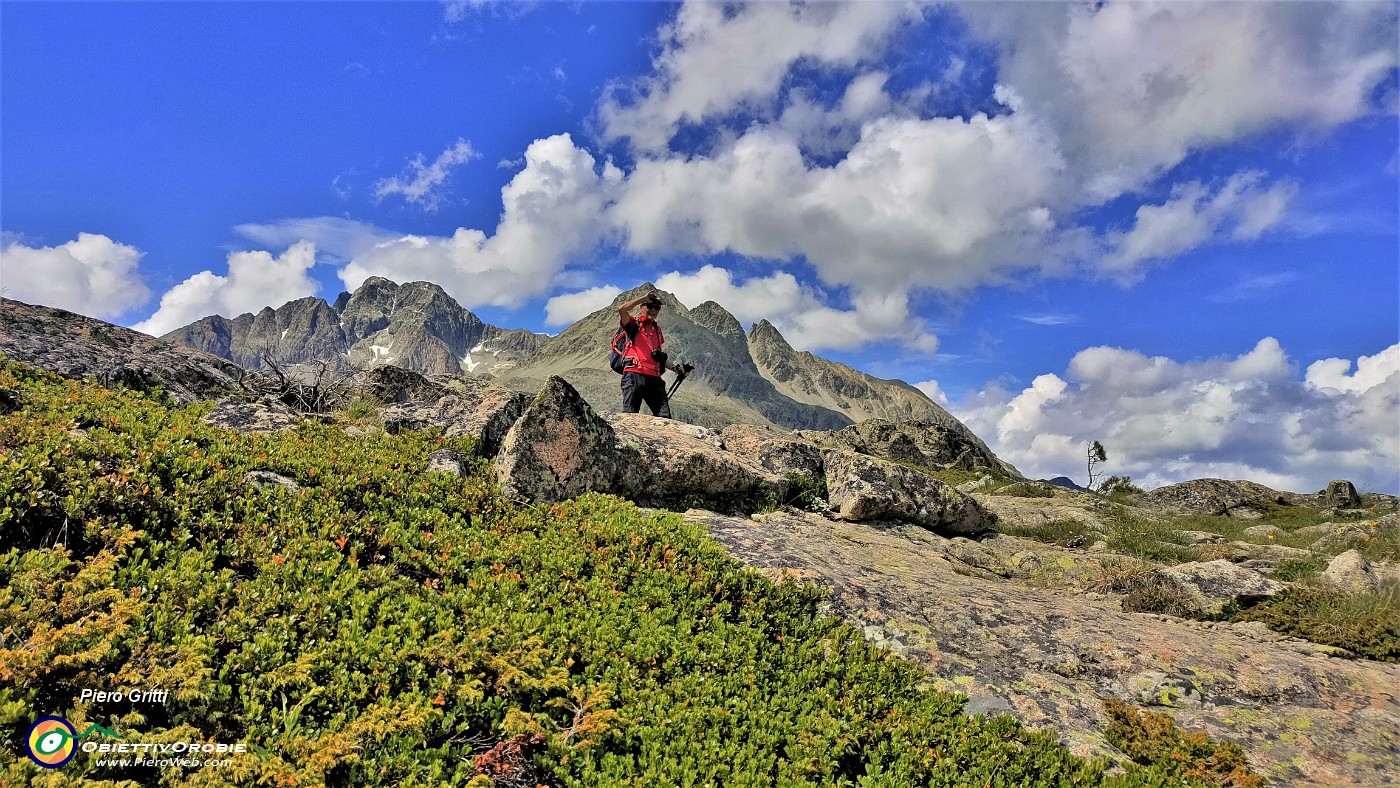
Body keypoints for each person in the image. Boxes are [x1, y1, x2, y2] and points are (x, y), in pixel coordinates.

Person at [617, 291, 684, 417]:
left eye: (657, 307)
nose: (653, 310)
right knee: (630, 416)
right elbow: (622, 310)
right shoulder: (633, 324)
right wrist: (643, 298)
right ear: (641, 307)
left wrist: (676, 369)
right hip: (634, 374)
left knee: (664, 416)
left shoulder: (657, 330)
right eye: (649, 306)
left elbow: (658, 356)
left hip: (654, 377)